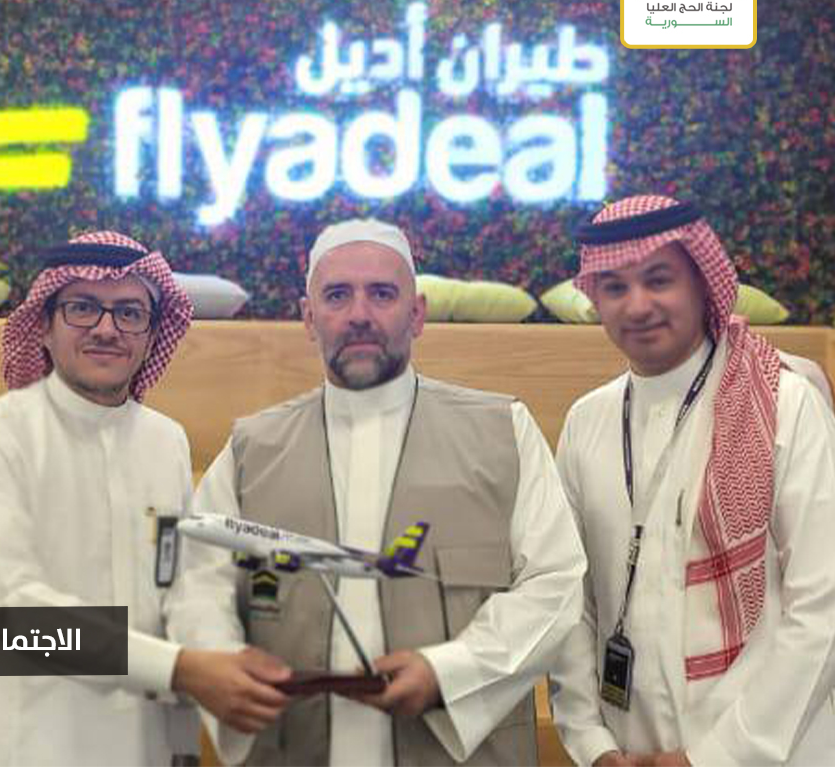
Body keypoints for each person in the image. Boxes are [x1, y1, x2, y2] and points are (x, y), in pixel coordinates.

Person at [167, 218, 587, 765]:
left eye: (382, 294)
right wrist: (224, 663)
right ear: (308, 318)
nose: (359, 314)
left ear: (417, 314)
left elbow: (554, 583)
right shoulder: (252, 448)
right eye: (337, 295)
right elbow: (199, 582)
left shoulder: (503, 431)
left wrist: (449, 671)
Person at [0, 231, 291, 767]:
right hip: (18, 741)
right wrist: (182, 669)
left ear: (152, 334)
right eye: (82, 308)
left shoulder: (165, 441)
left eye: (129, 313)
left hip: (138, 744)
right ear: (44, 326)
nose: (106, 329)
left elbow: (175, 587)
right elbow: (11, 607)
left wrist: (195, 715)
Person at [551, 195, 835, 766]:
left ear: (704, 283)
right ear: (595, 300)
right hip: (627, 751)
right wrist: (591, 743)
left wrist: (713, 757)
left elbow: (822, 604)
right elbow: (569, 598)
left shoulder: (783, 403)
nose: (638, 306)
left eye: (659, 280)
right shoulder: (587, 420)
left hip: (770, 750)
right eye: (614, 287)